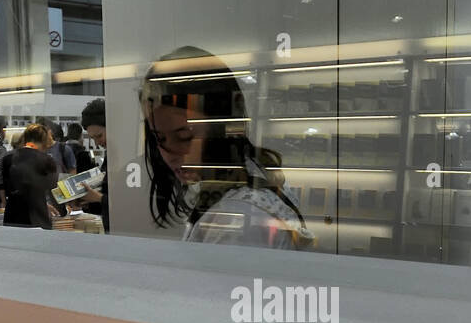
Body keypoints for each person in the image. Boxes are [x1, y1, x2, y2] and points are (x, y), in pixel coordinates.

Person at [142, 46, 313, 249]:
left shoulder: (236, 217)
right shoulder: (249, 177)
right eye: (160, 138)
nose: (170, 154)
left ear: (221, 125)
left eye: (184, 137)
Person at [0, 123, 59, 229]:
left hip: (12, 215)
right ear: (44, 140)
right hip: (36, 218)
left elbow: (9, 188)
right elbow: (53, 190)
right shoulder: (46, 161)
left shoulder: (7, 158)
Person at [79, 98, 109, 231]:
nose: (97, 143)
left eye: (99, 136)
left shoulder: (130, 158)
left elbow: (133, 204)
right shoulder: (110, 156)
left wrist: (99, 198)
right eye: (93, 138)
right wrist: (89, 200)